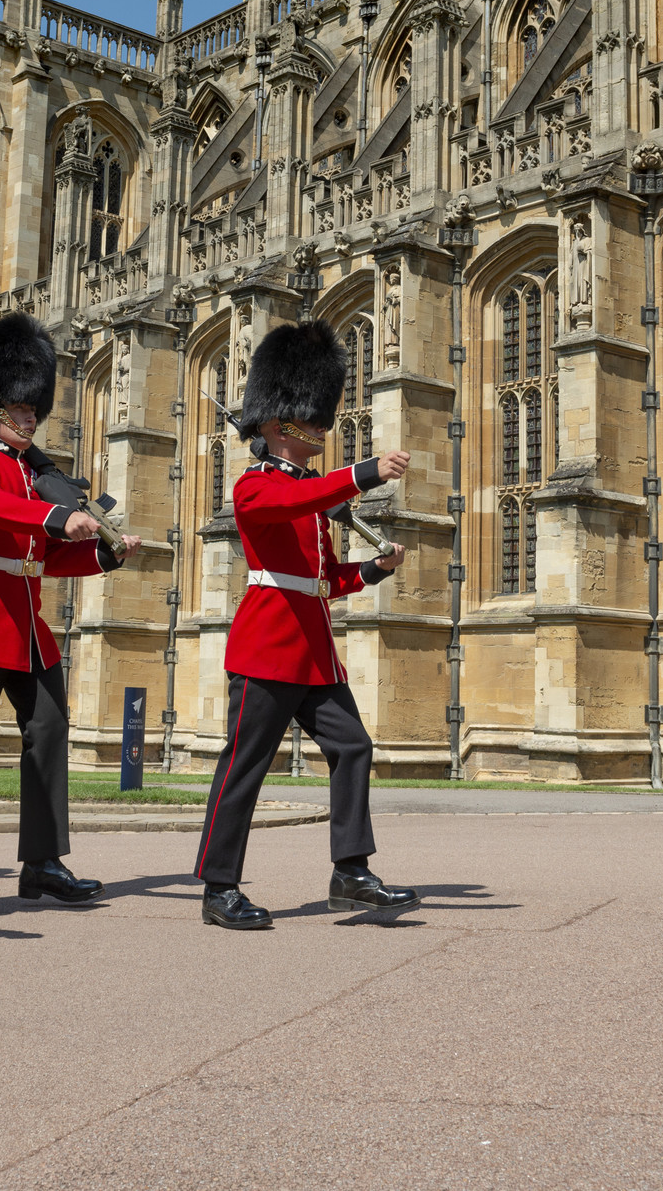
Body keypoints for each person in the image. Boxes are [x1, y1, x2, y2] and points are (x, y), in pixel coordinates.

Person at [195, 319, 417, 931]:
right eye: (311, 422)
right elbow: (297, 505)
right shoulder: (254, 488)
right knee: (246, 766)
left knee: (354, 748)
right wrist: (364, 472)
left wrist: (371, 569)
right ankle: (219, 888)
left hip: (314, 652)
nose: (321, 431)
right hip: (268, 649)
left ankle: (351, 871)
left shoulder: (309, 493)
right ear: (277, 425)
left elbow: (320, 581)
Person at [0, 313, 141, 914]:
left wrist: (102, 550)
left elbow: (42, 560)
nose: (30, 419)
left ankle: (42, 862)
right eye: (20, 410)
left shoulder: (36, 475)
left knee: (47, 733)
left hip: (27, 627)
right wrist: (54, 516)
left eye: (33, 410)